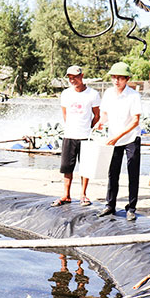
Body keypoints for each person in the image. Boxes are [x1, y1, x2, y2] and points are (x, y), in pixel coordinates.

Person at [97, 62, 142, 221]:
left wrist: (118, 136)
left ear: (127, 79)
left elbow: (135, 121)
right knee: (112, 172)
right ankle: (110, 205)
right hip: (113, 138)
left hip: (130, 138)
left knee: (132, 172)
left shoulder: (134, 95)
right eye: (114, 77)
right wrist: (101, 123)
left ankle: (131, 208)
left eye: (120, 78)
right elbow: (105, 114)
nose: (116, 81)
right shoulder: (108, 93)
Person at [51, 65, 100, 207]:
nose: (72, 80)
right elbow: (65, 114)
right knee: (67, 167)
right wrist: (71, 128)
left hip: (85, 137)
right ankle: (66, 195)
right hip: (69, 135)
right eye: (70, 78)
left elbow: (96, 115)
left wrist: (89, 128)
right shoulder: (66, 94)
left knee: (85, 167)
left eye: (75, 77)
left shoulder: (92, 94)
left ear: (82, 76)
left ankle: (83, 194)